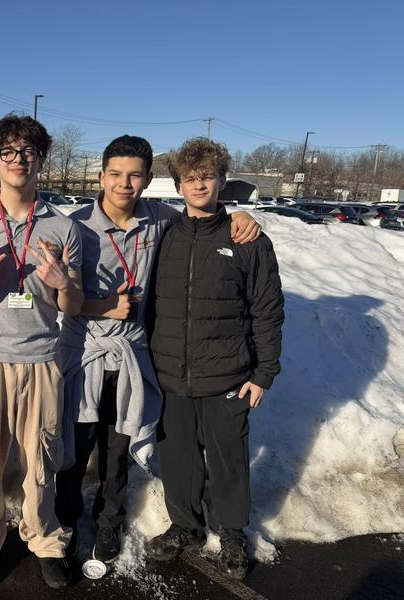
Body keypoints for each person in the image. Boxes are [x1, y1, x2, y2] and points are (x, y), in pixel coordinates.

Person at [55, 136, 261, 565]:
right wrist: (103, 307)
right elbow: (57, 297)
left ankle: (110, 520)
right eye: (115, 174)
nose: (124, 184)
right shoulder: (72, 226)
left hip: (131, 354)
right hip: (84, 354)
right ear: (101, 176)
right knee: (75, 446)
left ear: (149, 180)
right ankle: (67, 519)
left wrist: (240, 216)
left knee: (117, 446)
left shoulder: (161, 220)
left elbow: (204, 217)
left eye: (134, 175)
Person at [0, 115, 84, 594]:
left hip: (43, 360)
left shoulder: (62, 228)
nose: (18, 159)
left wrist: (63, 285)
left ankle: (45, 541)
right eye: (8, 150)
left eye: (28, 151)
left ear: (41, 161)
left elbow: (74, 304)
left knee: (40, 460)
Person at [145, 137, 284, 580]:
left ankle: (231, 533)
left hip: (227, 374)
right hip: (171, 375)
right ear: (178, 185)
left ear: (222, 180)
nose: (198, 184)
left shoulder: (246, 240)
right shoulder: (165, 236)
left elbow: (267, 309)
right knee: (178, 459)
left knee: (228, 460)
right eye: (190, 178)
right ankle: (185, 527)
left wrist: (263, 373)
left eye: (207, 176)